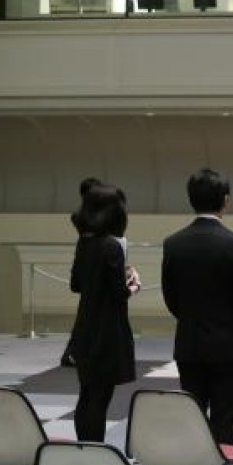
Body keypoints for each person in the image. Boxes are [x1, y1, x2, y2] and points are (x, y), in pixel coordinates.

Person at [162, 168, 233, 465]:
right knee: (224, 423)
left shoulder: (174, 243)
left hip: (189, 345)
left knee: (193, 423)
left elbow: (172, 299)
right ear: (226, 201)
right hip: (229, 346)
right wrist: (231, 328)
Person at [69, 183, 139, 441]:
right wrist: (134, 284)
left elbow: (75, 284)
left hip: (84, 328)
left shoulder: (84, 242)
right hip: (107, 332)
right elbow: (119, 294)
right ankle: (95, 451)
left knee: (86, 394)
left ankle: (84, 448)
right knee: (100, 398)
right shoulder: (112, 246)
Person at [62, 176, 103, 368]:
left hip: (83, 258)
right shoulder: (90, 217)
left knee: (86, 311)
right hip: (92, 260)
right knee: (88, 312)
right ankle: (74, 352)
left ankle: (75, 351)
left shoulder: (80, 215)